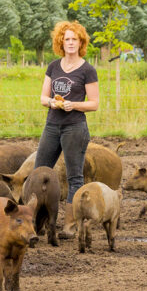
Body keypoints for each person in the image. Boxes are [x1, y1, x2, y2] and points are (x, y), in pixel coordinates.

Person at [35, 21, 99, 236]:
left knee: (74, 177)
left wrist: (75, 105)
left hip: (75, 128)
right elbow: (43, 97)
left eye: (75, 39)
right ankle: (38, 222)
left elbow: (94, 103)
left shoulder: (88, 70)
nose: (71, 42)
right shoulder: (53, 66)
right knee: (40, 173)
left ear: (81, 42)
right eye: (67, 39)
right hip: (52, 125)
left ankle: (70, 226)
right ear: (61, 41)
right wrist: (51, 102)